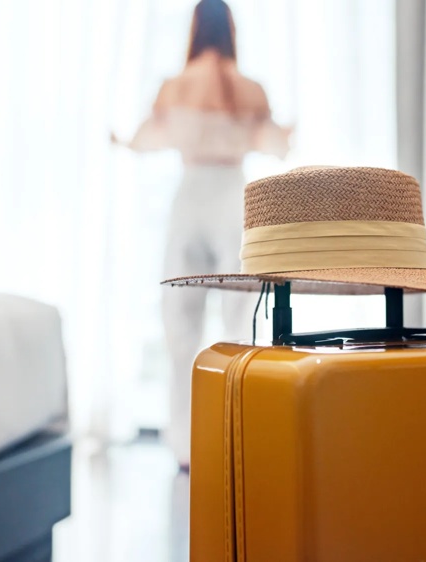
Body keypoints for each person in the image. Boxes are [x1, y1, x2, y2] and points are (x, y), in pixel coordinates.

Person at [113, 0, 291, 470]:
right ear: (231, 29)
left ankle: (185, 446)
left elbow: (145, 140)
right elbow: (275, 145)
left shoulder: (175, 86)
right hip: (233, 196)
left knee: (180, 323)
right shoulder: (249, 88)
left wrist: (120, 140)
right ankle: (235, 436)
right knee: (239, 323)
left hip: (191, 196)